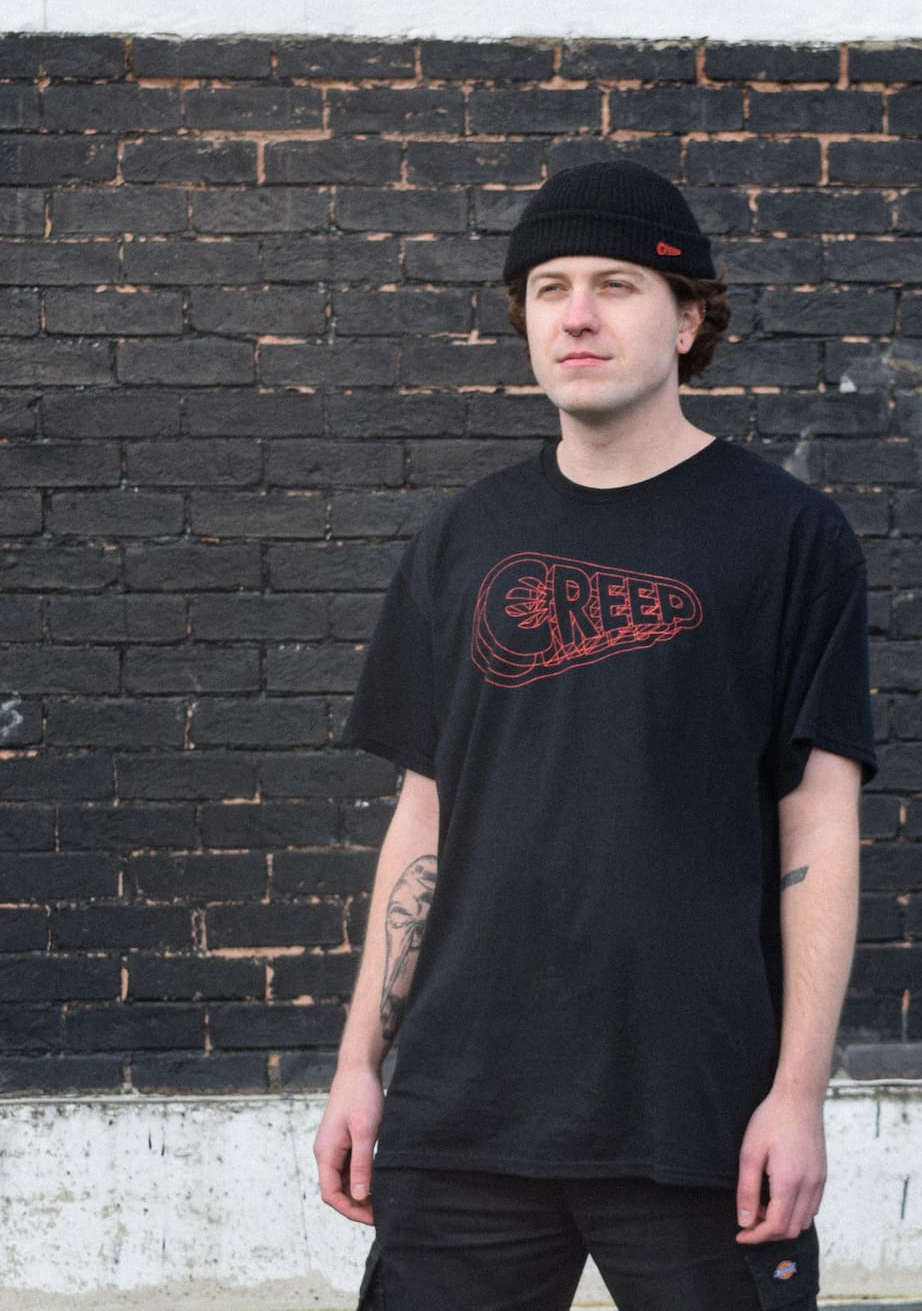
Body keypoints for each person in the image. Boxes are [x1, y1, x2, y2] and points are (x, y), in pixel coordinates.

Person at [315, 159, 878, 1311]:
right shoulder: (460, 541)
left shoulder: (789, 537)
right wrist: (359, 1066)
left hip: (696, 1112)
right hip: (464, 1107)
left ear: (688, 319)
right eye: (548, 287)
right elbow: (424, 817)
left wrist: (798, 1092)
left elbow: (817, 819)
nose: (576, 313)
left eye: (616, 284)